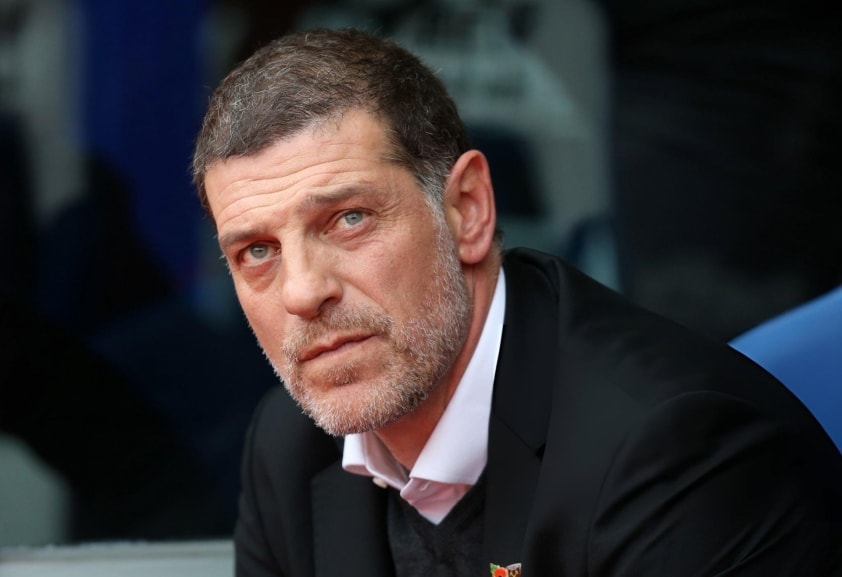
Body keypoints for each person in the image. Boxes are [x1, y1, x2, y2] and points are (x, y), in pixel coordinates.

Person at [191, 28, 842, 577]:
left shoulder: (673, 449)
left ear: (468, 210)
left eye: (349, 219)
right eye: (257, 251)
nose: (303, 291)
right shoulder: (290, 446)